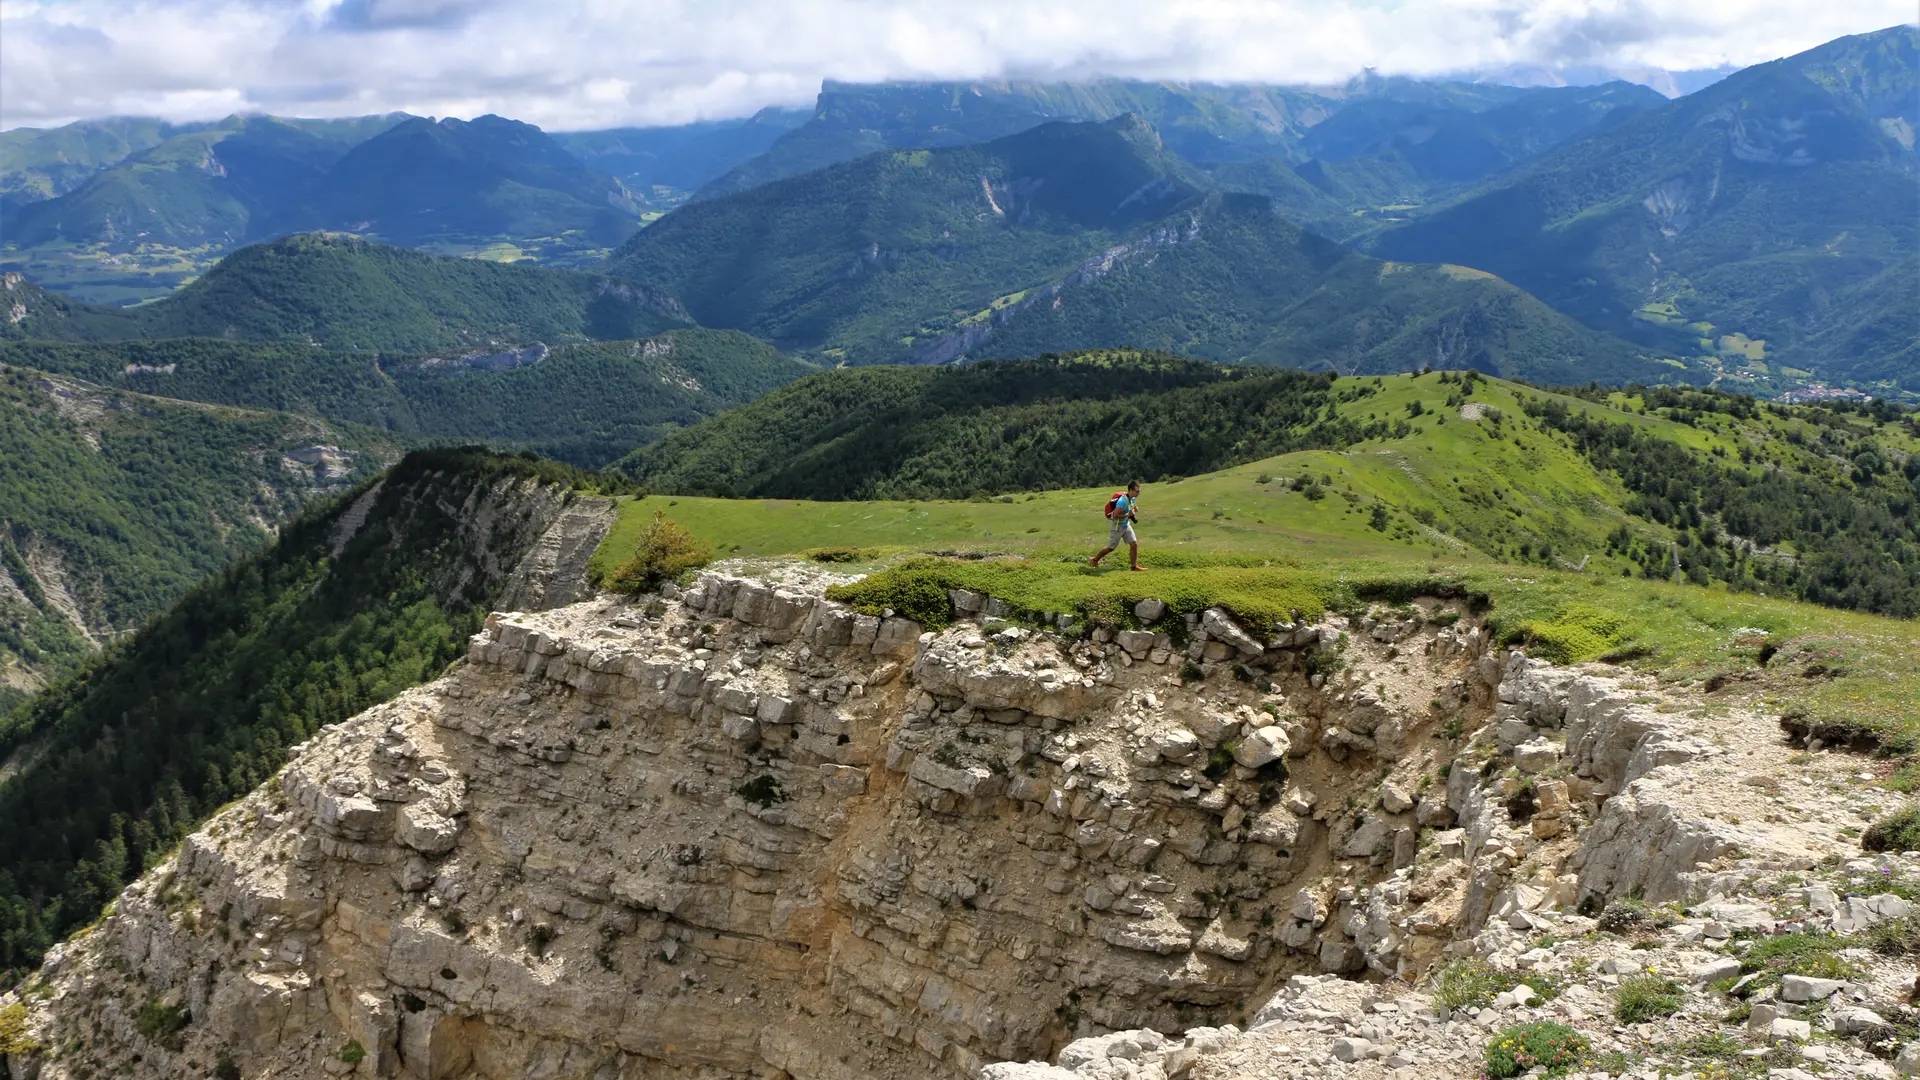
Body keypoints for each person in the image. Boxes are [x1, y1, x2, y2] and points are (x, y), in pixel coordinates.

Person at [1091, 480, 1144, 571]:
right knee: (1111, 548)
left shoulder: (1132, 499)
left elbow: (1128, 510)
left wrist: (1134, 510)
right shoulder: (1122, 501)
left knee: (1134, 544)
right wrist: (1128, 515)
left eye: (1139, 491)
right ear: (1130, 490)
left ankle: (1133, 567)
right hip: (1117, 527)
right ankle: (1094, 560)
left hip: (1126, 525)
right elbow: (1114, 516)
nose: (1138, 493)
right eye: (1137, 491)